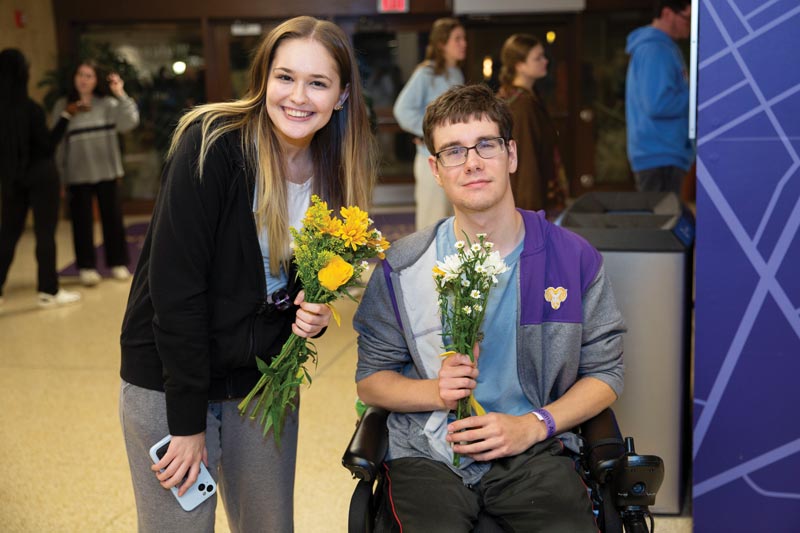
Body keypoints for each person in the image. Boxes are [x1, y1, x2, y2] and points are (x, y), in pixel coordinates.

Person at [119, 16, 376, 532]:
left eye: (318, 83)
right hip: (172, 384)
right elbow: (176, 293)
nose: (298, 97)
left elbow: (298, 276)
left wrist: (312, 309)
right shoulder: (210, 143)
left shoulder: (334, 166)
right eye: (285, 77)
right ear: (264, 80)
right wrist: (187, 423)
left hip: (261, 386)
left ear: (342, 96)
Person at [354, 84, 625, 532]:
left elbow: (606, 373)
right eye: (454, 151)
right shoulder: (403, 266)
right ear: (435, 170)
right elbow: (371, 381)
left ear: (511, 154)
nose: (473, 162)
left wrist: (535, 425)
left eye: (486, 145)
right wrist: (436, 393)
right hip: (429, 452)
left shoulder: (573, 259)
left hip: (533, 448)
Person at [0, 48, 81, 308]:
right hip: (42, 176)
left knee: (9, 233)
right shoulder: (31, 109)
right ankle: (48, 291)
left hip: (12, 177)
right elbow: (46, 146)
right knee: (45, 233)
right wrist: (66, 116)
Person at [52, 60, 139, 286]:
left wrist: (121, 94)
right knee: (81, 222)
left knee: (113, 219)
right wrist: (60, 176)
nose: (84, 79)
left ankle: (118, 263)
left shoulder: (109, 104)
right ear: (74, 77)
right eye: (80, 74)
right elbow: (57, 143)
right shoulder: (63, 105)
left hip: (107, 172)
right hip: (77, 174)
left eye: (89, 76)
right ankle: (86, 267)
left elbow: (130, 122)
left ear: (96, 80)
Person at [393, 17, 467, 230]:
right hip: (430, 159)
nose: (464, 44)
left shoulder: (456, 73)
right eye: (457, 39)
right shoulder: (426, 73)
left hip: (454, 158)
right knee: (431, 222)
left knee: (452, 221)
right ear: (442, 43)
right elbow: (403, 110)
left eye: (464, 38)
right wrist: (429, 134)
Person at [625, 0, 694, 194]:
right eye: (687, 18)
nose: (690, 25)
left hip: (660, 151)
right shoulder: (655, 49)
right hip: (660, 153)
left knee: (661, 221)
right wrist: (697, 94)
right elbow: (658, 104)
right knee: (660, 222)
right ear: (667, 13)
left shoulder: (659, 47)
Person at [497, 33, 568, 214]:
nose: (545, 61)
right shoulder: (521, 104)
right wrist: (531, 213)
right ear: (519, 65)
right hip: (528, 201)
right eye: (537, 58)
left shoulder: (526, 97)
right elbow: (525, 160)